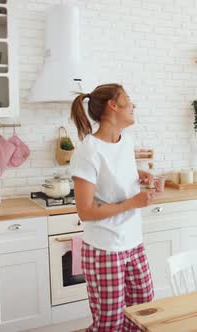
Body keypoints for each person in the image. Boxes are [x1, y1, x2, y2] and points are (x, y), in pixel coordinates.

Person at [71, 83, 155, 331]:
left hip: (133, 243)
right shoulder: (89, 150)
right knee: (110, 324)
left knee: (143, 315)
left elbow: (116, 171)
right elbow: (85, 211)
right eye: (128, 100)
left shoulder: (125, 141)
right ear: (113, 105)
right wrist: (132, 202)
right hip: (105, 249)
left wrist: (139, 174)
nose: (133, 105)